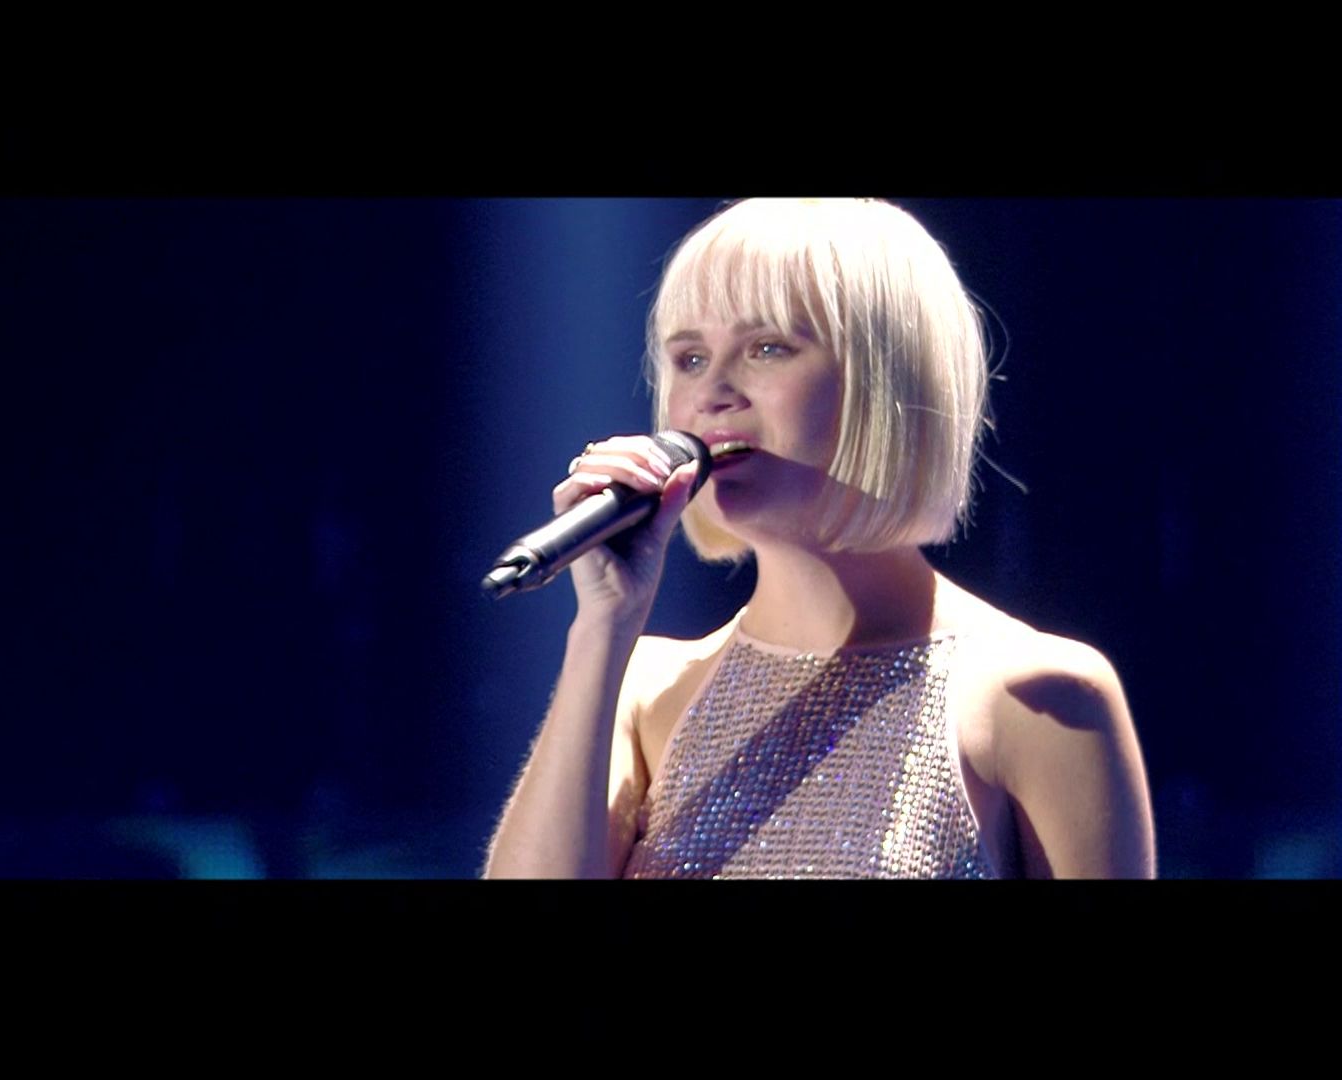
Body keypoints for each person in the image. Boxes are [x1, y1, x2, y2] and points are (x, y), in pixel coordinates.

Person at [481, 198, 1156, 880]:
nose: (712, 391)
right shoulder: (646, 688)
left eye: (767, 348)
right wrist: (603, 625)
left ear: (884, 378)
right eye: (690, 358)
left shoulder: (1037, 697)